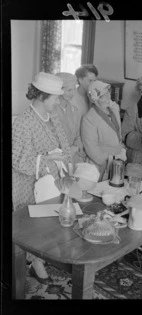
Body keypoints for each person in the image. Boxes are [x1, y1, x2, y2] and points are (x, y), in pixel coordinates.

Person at [12, 72, 73, 284]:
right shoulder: (23, 122)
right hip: (30, 185)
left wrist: (65, 156)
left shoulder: (53, 118)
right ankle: (33, 263)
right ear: (42, 96)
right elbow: (19, 161)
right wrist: (48, 157)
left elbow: (63, 144)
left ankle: (41, 256)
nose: (58, 101)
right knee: (34, 228)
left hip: (54, 181)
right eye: (56, 97)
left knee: (51, 224)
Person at [81, 80, 126, 181]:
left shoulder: (113, 109)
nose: (108, 97)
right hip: (100, 164)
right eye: (103, 96)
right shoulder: (89, 118)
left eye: (108, 93)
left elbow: (113, 104)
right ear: (95, 99)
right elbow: (91, 148)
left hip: (116, 160)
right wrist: (107, 161)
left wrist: (119, 154)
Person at [55, 72, 86, 164]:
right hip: (57, 158)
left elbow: (77, 135)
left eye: (74, 89)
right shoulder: (50, 111)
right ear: (59, 90)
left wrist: (78, 147)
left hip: (73, 156)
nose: (73, 93)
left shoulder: (75, 111)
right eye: (69, 90)